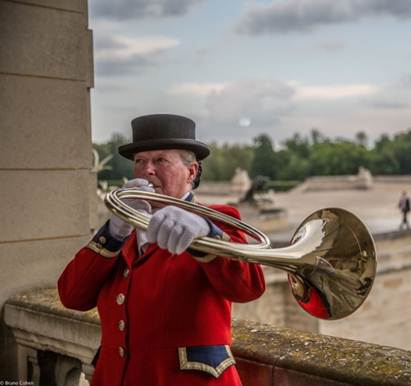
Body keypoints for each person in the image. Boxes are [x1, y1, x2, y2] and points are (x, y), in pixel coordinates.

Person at [58, 114, 266, 386]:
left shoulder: (216, 220)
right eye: (140, 161)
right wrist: (112, 231)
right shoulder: (122, 233)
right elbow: (72, 296)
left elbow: (249, 287)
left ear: (191, 172)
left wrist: (206, 232)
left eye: (160, 160)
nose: (147, 170)